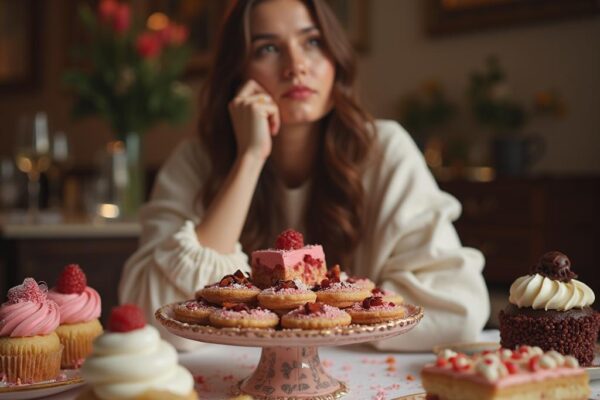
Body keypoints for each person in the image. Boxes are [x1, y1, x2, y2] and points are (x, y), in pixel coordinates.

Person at [118, 0, 490, 351]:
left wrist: (320, 318)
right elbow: (152, 315)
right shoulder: (196, 160)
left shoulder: (383, 150)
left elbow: (459, 307)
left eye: (312, 42)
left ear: (335, 58)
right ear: (238, 72)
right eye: (267, 48)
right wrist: (249, 159)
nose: (296, 65)